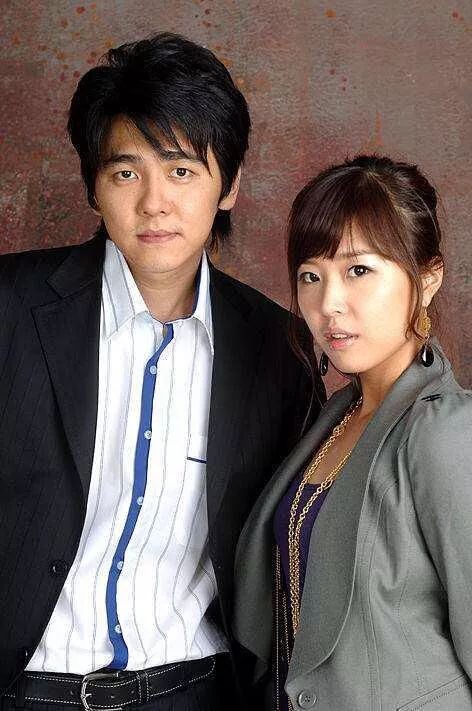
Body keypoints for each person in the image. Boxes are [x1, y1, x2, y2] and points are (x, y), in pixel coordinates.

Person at [0, 33, 323, 711]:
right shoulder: (11, 309)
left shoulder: (278, 351)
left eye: (181, 171)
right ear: (94, 185)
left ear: (228, 185)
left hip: (194, 692)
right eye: (127, 173)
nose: (154, 202)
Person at [233, 155, 472, 711]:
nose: (328, 304)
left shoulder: (446, 432)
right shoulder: (333, 417)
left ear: (427, 279)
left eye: (358, 271)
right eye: (310, 276)